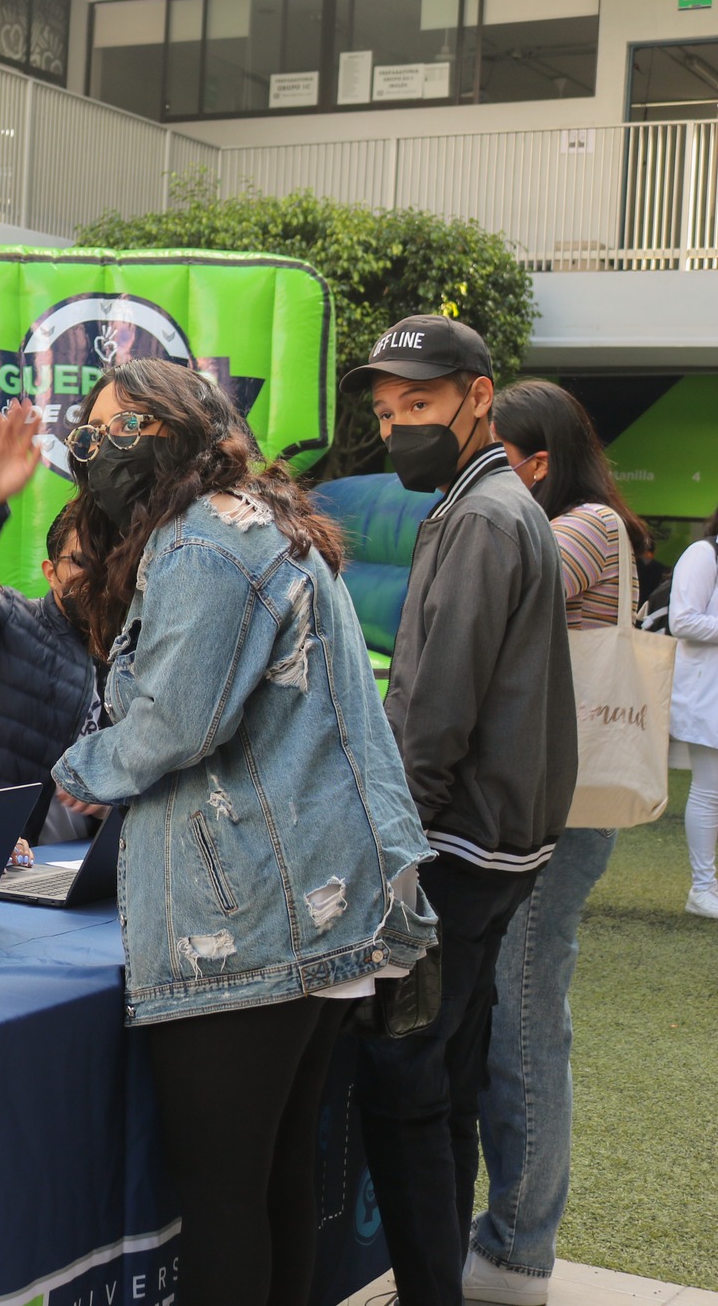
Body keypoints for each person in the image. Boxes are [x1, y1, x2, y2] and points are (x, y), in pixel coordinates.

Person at [49, 359, 437, 1306]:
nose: (91, 450)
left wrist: (76, 772)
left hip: (250, 912)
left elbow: (176, 724)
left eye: (113, 428)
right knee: (271, 1177)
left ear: (172, 430)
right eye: (87, 431)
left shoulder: (205, 544)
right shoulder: (262, 527)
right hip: (302, 901)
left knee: (224, 1193)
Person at [351, 318, 577, 1306]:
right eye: (384, 408)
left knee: (401, 1084)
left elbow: (437, 705)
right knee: (437, 1074)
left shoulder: (482, 515)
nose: (396, 424)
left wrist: (389, 851)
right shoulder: (477, 500)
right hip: (492, 842)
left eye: (419, 404)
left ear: (475, 396)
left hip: (456, 849)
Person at [461, 381, 653, 1302]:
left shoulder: (579, 528)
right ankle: (508, 1235)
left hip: (559, 811)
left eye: (497, 456)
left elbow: (491, 591)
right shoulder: (567, 519)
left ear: (538, 460)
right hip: (535, 804)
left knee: (527, 1022)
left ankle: (516, 1251)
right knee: (513, 1016)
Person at [0, 399, 104, 845]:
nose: (94, 578)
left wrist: (118, 798)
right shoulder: (7, 621)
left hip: (85, 873)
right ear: (51, 572)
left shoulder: (138, 654)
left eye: (110, 564)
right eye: (82, 562)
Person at [669, 504, 718, 921]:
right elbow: (682, 620)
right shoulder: (704, 554)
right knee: (709, 789)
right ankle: (703, 889)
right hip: (708, 695)